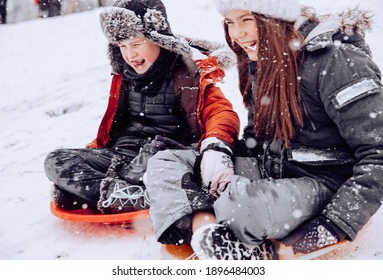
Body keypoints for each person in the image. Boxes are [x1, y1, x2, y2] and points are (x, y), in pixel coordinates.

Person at [147, 0, 383, 260]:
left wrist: (333, 225)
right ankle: (207, 230)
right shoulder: (268, 56)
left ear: (275, 18)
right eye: (230, 23)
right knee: (167, 162)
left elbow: (378, 153)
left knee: (240, 206)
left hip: (325, 185)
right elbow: (257, 136)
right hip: (274, 172)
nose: (237, 34)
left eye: (247, 19)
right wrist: (219, 156)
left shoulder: (337, 62)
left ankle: (218, 221)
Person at [44, 0, 239, 215]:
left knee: (154, 154)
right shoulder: (125, 76)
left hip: (164, 157)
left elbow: (221, 112)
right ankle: (123, 193)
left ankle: (125, 188)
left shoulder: (186, 75)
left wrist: (215, 146)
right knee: (56, 160)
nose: (130, 55)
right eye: (122, 47)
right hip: (123, 155)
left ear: (159, 39)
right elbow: (116, 126)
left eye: (136, 44)